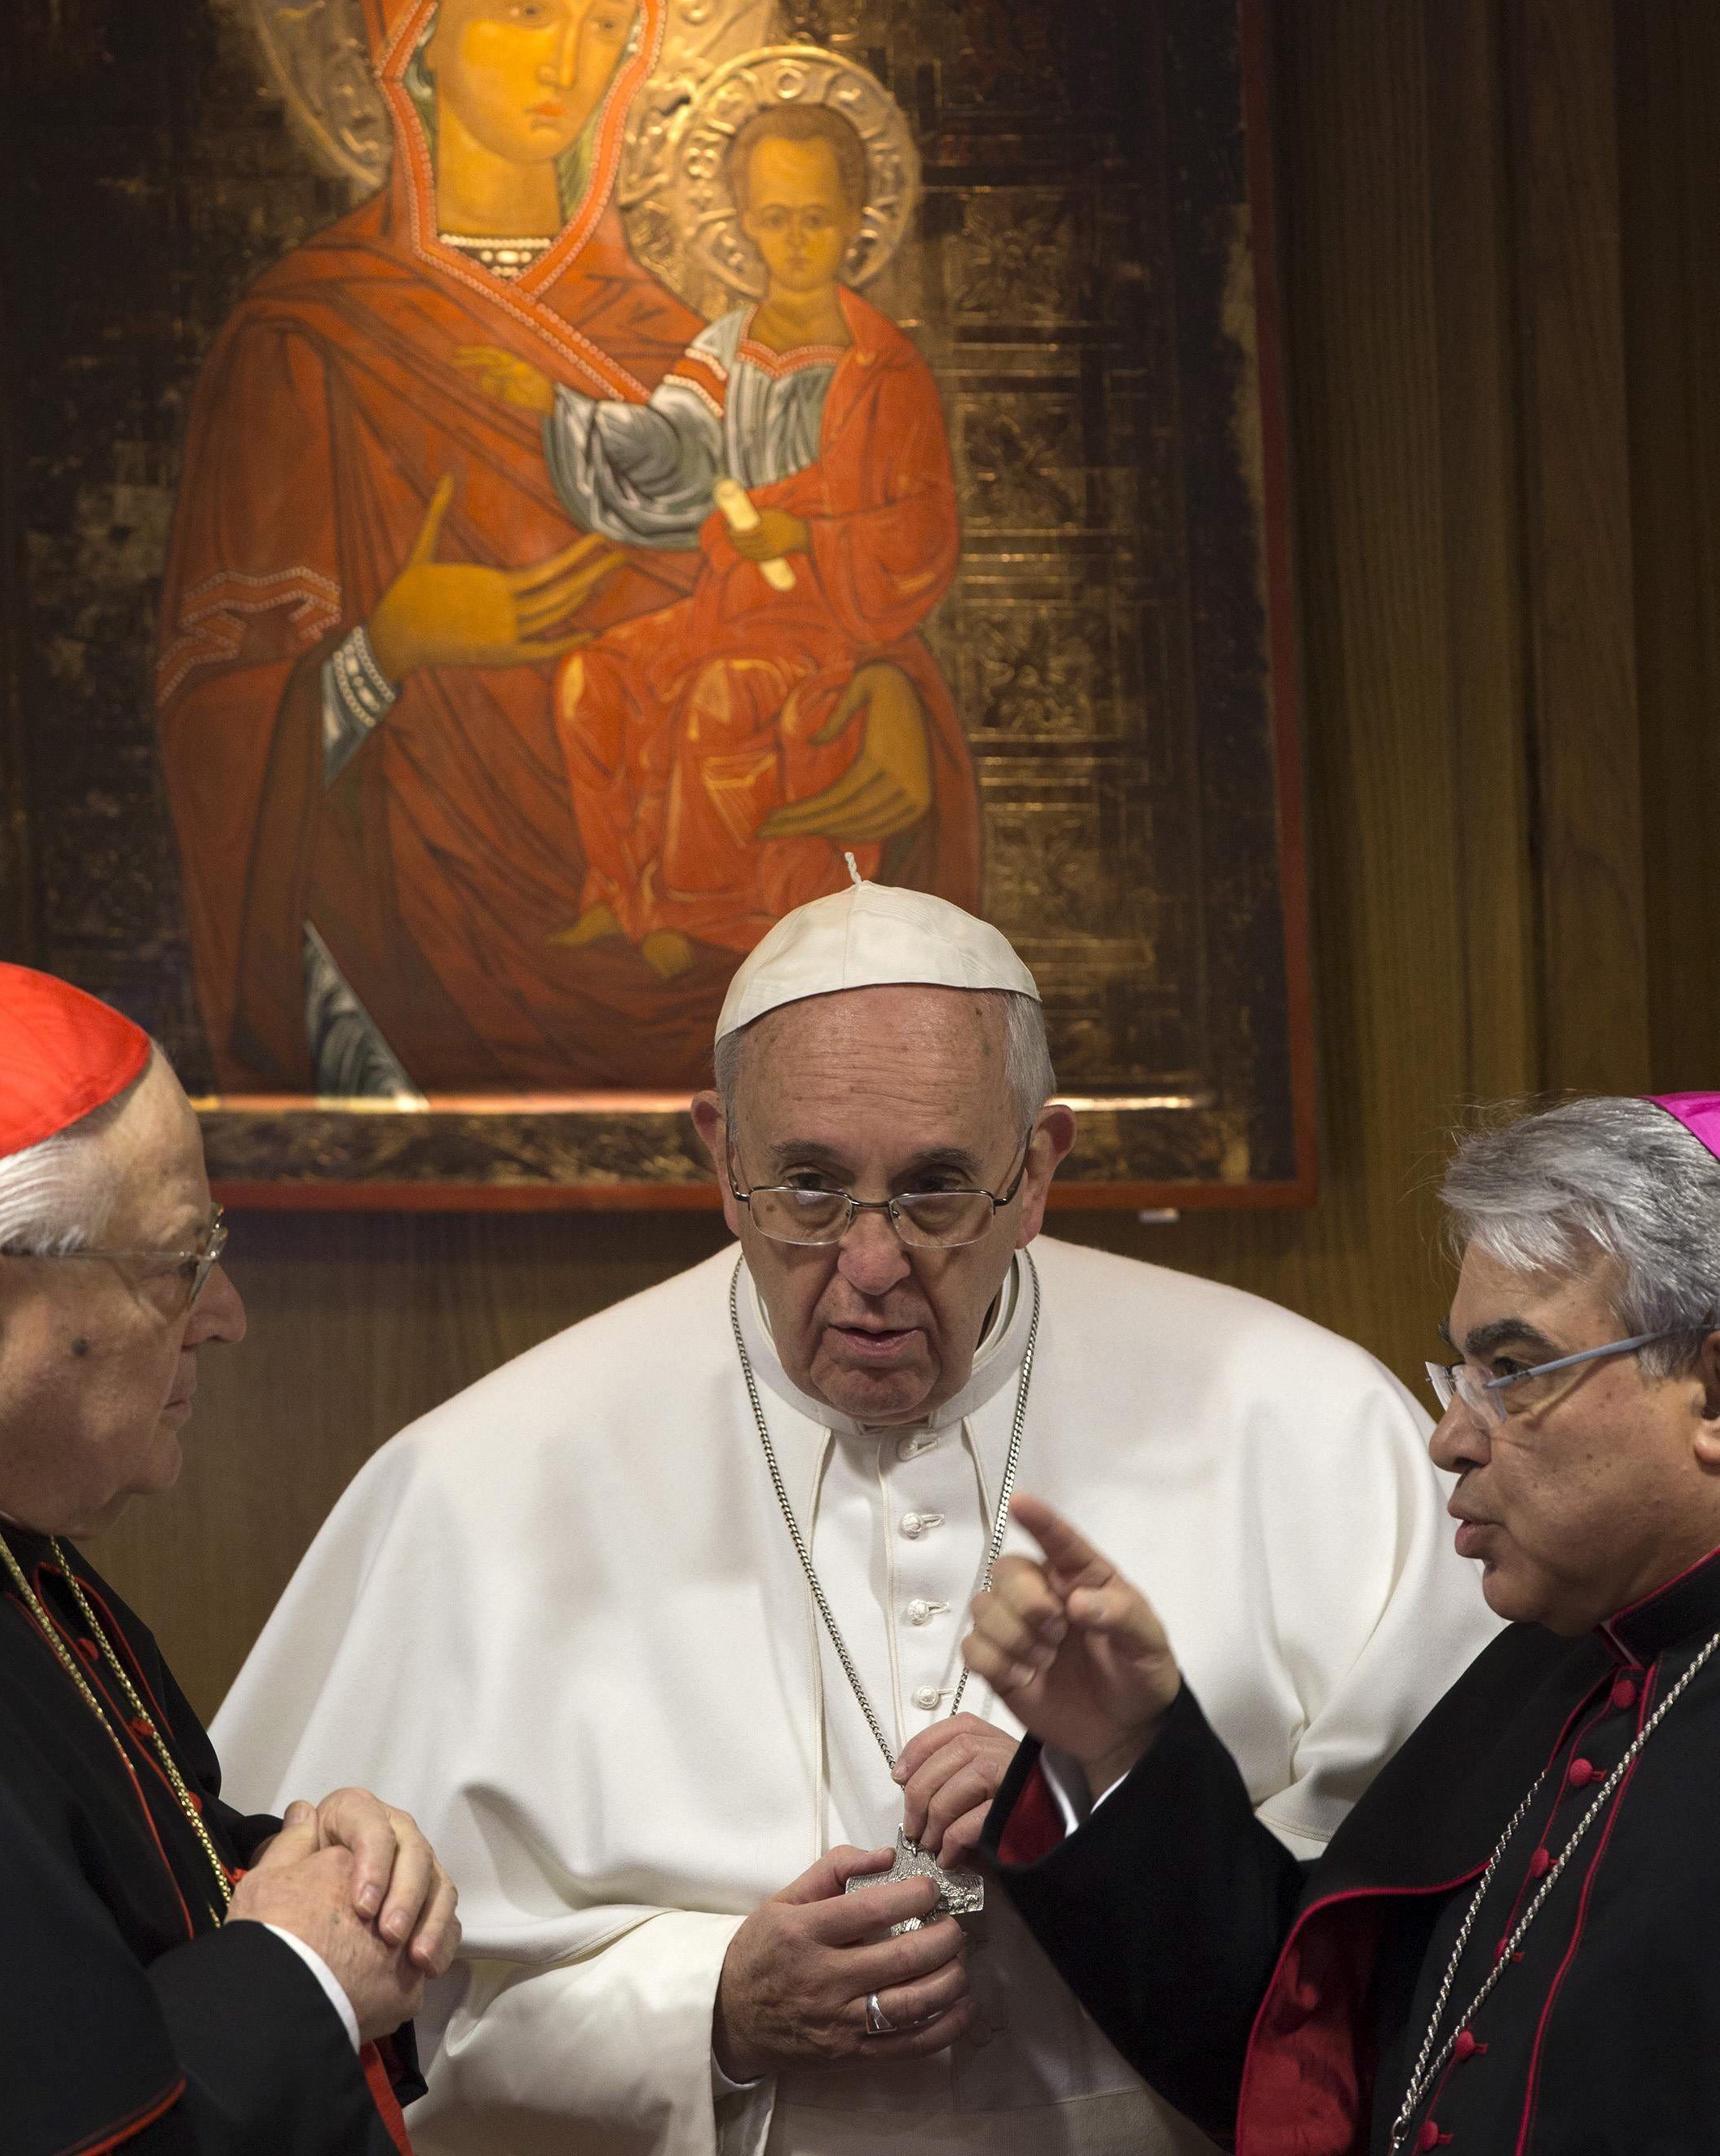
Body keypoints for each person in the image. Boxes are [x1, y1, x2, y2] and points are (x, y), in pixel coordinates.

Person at [212, 874, 1495, 2156]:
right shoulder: (479, 1479)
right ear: (719, 1158)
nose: (871, 1267)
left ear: (1036, 1169)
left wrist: (1108, 1807)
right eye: (808, 1189)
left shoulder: (1307, 1421)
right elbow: (329, 2006)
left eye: (936, 1191)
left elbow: (1428, 1964)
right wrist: (705, 2010)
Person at [156, 0, 931, 1097]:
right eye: (523, 8)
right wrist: (387, 649)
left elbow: (801, 572)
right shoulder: (309, 340)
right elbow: (213, 729)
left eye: (604, 24)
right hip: (405, 960)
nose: (566, 62)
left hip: (709, 963)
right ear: (416, 24)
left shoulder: (685, 344)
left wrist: (888, 696)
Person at [968, 1090, 1720, 2155]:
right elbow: (1303, 2064)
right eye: (1461, 1374)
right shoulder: (1545, 1670)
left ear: (1710, 1394)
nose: (1450, 1439)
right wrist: (1120, 1746)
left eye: (1512, 1373)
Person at [0, 960, 461, 2154]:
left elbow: (117, 1884)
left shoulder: (25, 1551)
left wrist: (302, 1869)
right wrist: (301, 1966)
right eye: (173, 1266)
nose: (226, 1315)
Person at [458, 102, 974, 977]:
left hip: (830, 625)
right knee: (591, 681)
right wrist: (560, 407)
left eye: (816, 219)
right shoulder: (725, 347)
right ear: (744, 223)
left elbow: (922, 527)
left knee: (719, 698)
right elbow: (671, 451)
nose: (795, 242)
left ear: (855, 220)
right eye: (775, 219)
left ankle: (699, 919)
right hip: (727, 604)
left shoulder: (882, 368)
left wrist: (805, 533)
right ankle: (625, 895)